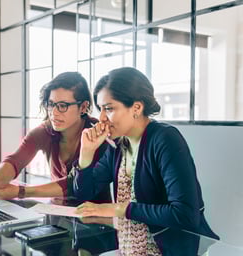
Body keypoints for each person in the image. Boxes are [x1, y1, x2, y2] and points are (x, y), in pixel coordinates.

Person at [73, 67, 219, 255]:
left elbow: (184, 214)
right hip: (127, 251)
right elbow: (83, 193)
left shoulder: (165, 139)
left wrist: (119, 209)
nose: (101, 118)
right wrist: (86, 153)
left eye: (109, 109)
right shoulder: (118, 145)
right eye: (100, 109)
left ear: (137, 107)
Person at [0, 72, 112, 205]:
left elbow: (73, 184)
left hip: (94, 221)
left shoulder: (98, 134)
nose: (54, 113)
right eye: (51, 104)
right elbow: (14, 160)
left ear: (83, 107)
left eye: (63, 106)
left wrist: (20, 191)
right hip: (56, 214)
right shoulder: (45, 131)